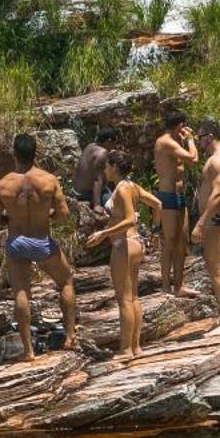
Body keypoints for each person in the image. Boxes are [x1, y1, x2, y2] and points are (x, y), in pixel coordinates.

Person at [0, 132, 77, 362]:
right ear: (36, 152)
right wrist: (46, 216)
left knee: (21, 291)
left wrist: (11, 220)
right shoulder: (48, 180)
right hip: (42, 239)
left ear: (14, 153)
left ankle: (28, 351)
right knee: (65, 280)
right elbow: (64, 214)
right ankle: (70, 336)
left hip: (17, 240)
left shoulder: (2, 185)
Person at [83, 148, 163, 358]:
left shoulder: (122, 189)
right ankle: (136, 347)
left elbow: (130, 219)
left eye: (107, 165)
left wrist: (103, 233)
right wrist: (154, 231)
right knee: (133, 297)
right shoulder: (132, 186)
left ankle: (126, 349)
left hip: (124, 244)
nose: (105, 169)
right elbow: (157, 204)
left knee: (124, 300)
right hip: (136, 242)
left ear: (115, 167)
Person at [192, 119, 220, 331]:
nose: (198, 141)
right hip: (213, 219)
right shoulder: (216, 158)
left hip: (214, 219)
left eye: (199, 137)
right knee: (214, 267)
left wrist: (200, 223)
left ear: (209, 137)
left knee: (216, 268)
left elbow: (218, 194)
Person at [151, 110, 200, 296]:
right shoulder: (166, 142)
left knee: (182, 242)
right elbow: (194, 159)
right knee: (170, 242)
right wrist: (190, 140)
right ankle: (165, 286)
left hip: (179, 196)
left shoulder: (174, 141)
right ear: (179, 126)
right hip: (168, 197)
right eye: (183, 126)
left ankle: (178, 286)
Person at [74, 129, 116, 215]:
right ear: (109, 141)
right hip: (86, 194)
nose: (114, 146)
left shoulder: (90, 146)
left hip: (76, 190)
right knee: (115, 205)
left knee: (109, 187)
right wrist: (97, 205)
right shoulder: (103, 153)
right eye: (114, 143)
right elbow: (97, 180)